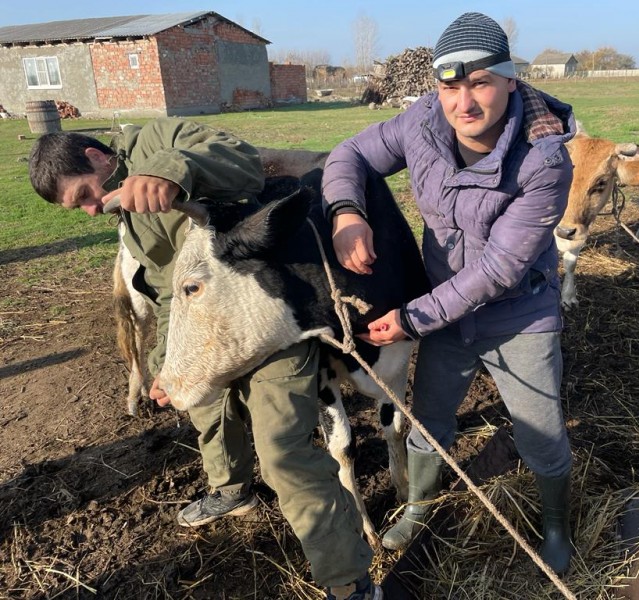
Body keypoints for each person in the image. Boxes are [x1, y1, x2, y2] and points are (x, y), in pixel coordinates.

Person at [27, 119, 381, 600]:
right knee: (204, 409)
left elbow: (239, 161)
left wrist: (171, 173)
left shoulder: (160, 140)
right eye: (80, 208)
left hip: (263, 319)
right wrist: (163, 360)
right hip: (206, 327)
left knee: (284, 455)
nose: (90, 211)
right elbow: (167, 287)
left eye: (85, 195)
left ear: (95, 157)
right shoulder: (127, 217)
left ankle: (349, 581)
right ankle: (231, 491)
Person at [322, 12, 576, 575]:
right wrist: (347, 211)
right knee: (429, 421)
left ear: (511, 79)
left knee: (540, 430)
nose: (464, 103)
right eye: (449, 86)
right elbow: (349, 155)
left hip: (517, 315)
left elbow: (501, 268)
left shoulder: (544, 160)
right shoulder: (421, 122)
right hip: (444, 315)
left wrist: (412, 319)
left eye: (480, 83)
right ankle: (418, 505)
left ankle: (557, 524)